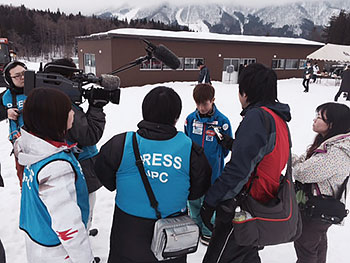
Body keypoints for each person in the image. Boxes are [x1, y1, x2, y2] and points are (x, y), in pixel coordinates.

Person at [94, 86, 212, 263]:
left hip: (126, 234)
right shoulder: (190, 149)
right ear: (176, 116)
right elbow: (198, 189)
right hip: (171, 237)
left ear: (144, 111)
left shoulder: (120, 144)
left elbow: (104, 175)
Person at [200, 63, 291, 263]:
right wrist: (234, 144)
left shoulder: (257, 117)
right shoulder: (278, 119)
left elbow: (238, 170)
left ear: (246, 92)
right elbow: (266, 154)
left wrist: (211, 201)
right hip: (262, 203)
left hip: (243, 208)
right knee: (246, 255)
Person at [14, 87, 95, 263]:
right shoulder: (55, 168)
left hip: (38, 237)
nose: (73, 114)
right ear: (55, 118)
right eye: (69, 111)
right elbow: (68, 227)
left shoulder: (30, 145)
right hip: (58, 250)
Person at [43, 58, 106, 236]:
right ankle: (82, 242)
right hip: (81, 166)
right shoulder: (63, 105)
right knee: (82, 211)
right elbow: (89, 135)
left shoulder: (43, 99)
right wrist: (96, 108)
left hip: (64, 164)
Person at [292, 102, 350, 263]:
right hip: (320, 208)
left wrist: (292, 162)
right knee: (317, 244)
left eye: (319, 118)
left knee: (306, 247)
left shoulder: (337, 152)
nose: (314, 120)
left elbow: (304, 172)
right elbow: (304, 162)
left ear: (332, 124)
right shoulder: (327, 144)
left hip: (317, 209)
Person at [184, 83, 232, 245]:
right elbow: (186, 141)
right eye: (197, 104)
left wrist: (216, 159)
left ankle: (207, 230)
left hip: (213, 172)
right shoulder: (190, 120)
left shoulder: (222, 122)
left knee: (209, 202)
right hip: (194, 171)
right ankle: (195, 228)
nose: (201, 108)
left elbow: (226, 148)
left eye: (204, 103)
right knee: (194, 202)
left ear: (213, 100)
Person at [0, 61, 27, 185]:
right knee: (24, 178)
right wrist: (6, 112)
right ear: (9, 79)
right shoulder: (6, 97)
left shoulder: (38, 89)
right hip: (20, 145)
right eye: (17, 76)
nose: (22, 78)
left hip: (41, 143)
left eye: (24, 73)